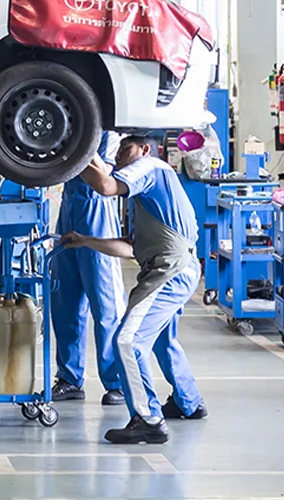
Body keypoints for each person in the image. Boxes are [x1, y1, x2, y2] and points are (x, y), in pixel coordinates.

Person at [60, 135, 208, 445]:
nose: (120, 157)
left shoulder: (151, 166)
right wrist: (86, 241)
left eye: (125, 150)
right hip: (178, 269)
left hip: (169, 272)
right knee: (162, 340)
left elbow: (106, 186)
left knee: (127, 340)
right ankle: (188, 402)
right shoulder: (149, 201)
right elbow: (129, 248)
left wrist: (73, 150)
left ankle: (148, 419)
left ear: (144, 148)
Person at [50, 132, 126, 406]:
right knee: (65, 302)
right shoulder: (67, 124)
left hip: (98, 212)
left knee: (106, 305)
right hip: (69, 210)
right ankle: (70, 378)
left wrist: (84, 139)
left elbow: (104, 173)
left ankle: (117, 381)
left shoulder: (108, 133)